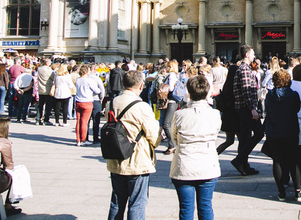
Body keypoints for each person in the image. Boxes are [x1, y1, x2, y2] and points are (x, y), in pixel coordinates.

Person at [106, 70, 162, 220]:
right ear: (141, 85)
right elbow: (153, 134)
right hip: (136, 160)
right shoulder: (142, 107)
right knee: (137, 202)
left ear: (123, 84)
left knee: (117, 202)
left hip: (115, 157)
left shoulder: (111, 103)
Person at [170, 75, 221, 220]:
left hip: (184, 165)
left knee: (185, 209)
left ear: (189, 93)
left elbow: (174, 137)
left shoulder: (179, 114)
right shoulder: (215, 114)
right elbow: (216, 133)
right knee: (205, 206)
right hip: (208, 165)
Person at [264, 69, 301, 202]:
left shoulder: (269, 96)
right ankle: (298, 191)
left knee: (277, 161)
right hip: (290, 131)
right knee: (293, 161)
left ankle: (281, 191)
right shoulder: (293, 95)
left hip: (273, 132)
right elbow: (296, 109)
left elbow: (267, 109)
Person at [231, 45, 263, 176]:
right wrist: (252, 109)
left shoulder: (245, 68)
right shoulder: (244, 69)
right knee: (259, 133)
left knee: (245, 137)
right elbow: (247, 90)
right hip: (245, 107)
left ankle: (244, 164)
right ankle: (239, 160)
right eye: (252, 54)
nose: (254, 56)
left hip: (242, 107)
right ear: (246, 55)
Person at [74, 64, 101, 146]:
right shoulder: (89, 80)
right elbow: (97, 91)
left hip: (78, 101)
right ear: (86, 71)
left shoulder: (78, 80)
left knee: (78, 121)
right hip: (87, 102)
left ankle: (78, 139)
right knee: (84, 122)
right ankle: (83, 140)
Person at [35, 58, 55, 126]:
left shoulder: (39, 69)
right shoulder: (49, 70)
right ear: (47, 63)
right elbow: (53, 77)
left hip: (40, 89)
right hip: (48, 89)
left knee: (40, 105)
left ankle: (38, 119)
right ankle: (46, 119)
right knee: (48, 106)